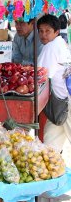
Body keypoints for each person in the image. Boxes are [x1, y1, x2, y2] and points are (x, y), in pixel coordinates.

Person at [37, 14, 71, 152]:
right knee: (51, 143)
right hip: (60, 102)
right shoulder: (61, 42)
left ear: (56, 32)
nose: (43, 35)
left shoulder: (50, 47)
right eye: (40, 31)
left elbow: (40, 77)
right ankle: (51, 168)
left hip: (66, 103)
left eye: (48, 31)